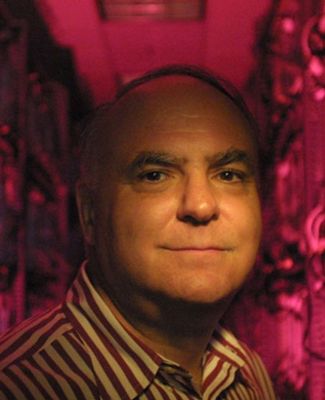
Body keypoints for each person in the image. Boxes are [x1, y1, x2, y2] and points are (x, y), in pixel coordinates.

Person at [0, 65, 276, 399]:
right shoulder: (21, 385)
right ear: (90, 213)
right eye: (155, 176)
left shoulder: (247, 372)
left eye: (229, 175)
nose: (201, 206)